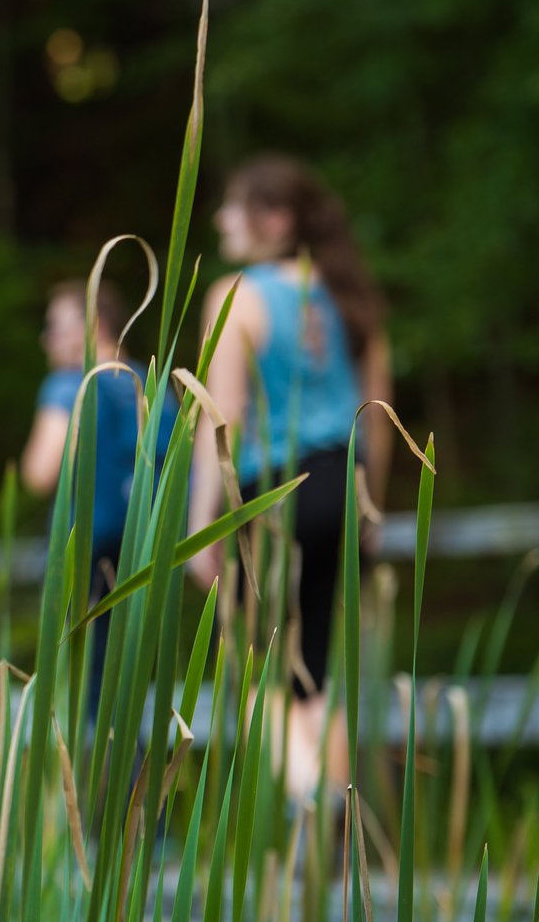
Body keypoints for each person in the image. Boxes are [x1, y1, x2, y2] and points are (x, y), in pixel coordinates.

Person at [188, 155, 392, 797]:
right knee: (316, 671)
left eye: (233, 207)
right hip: (343, 483)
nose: (221, 219)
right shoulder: (351, 295)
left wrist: (203, 527)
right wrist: (370, 507)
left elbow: (222, 424)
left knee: (259, 667)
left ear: (274, 220)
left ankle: (311, 800)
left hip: (271, 494)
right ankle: (335, 822)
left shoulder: (235, 297)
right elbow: (380, 420)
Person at [19, 279, 175, 721]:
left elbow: (39, 472)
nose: (45, 338)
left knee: (88, 696)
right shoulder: (152, 385)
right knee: (128, 688)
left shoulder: (71, 384)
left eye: (55, 327)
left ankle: (97, 786)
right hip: (146, 548)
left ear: (94, 326)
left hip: (85, 552)